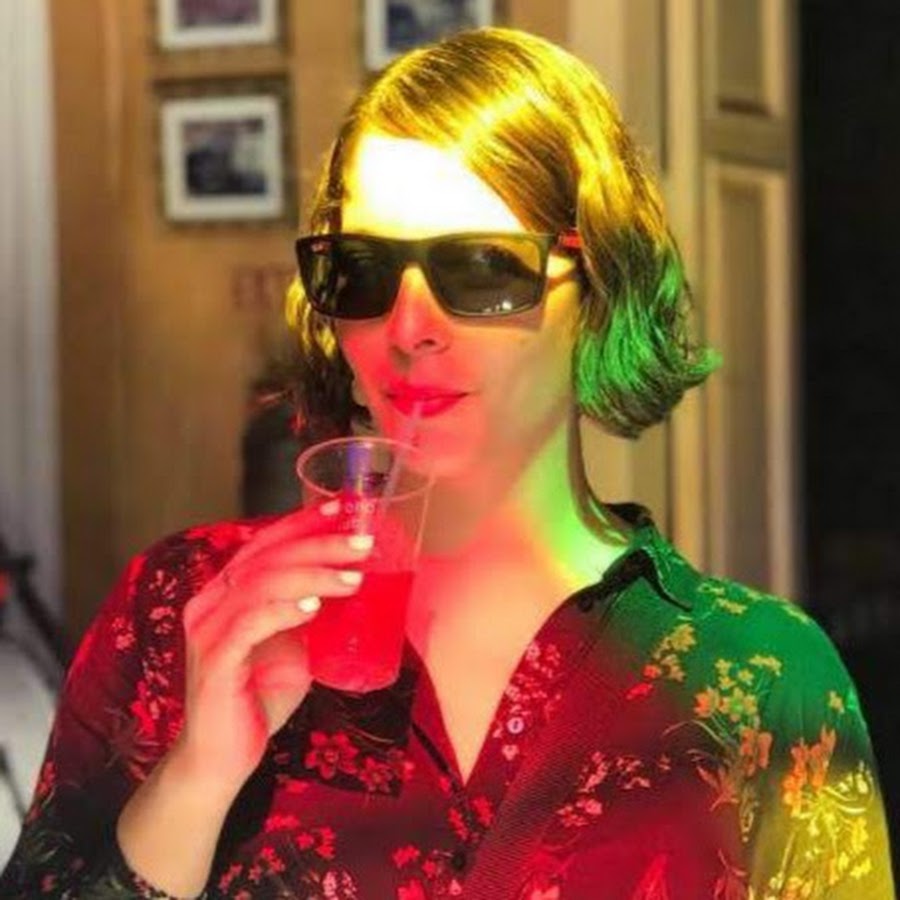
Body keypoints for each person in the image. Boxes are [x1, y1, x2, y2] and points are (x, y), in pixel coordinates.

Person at [1, 26, 894, 900]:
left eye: (480, 269)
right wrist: (196, 781)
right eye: (362, 269)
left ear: (599, 290)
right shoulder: (185, 611)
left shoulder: (763, 680)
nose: (408, 327)